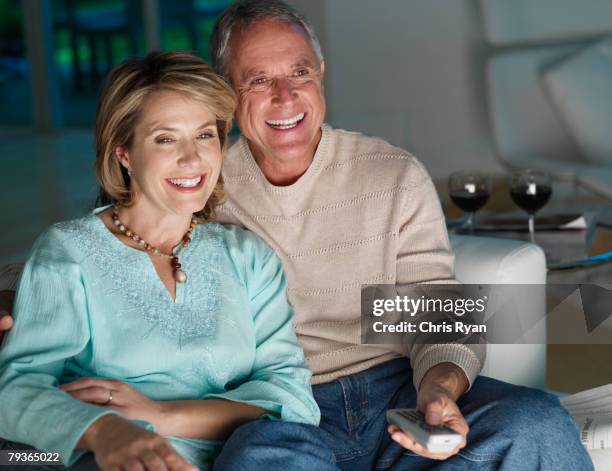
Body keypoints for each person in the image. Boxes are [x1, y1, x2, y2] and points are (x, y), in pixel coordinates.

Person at [0, 1, 593, 470]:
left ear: (321, 74)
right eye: (258, 80)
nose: (285, 97)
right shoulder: (200, 179)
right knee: (264, 457)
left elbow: (432, 311)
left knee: (535, 421)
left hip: (396, 390)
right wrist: (12, 303)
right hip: (271, 415)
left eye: (299, 72)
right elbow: (105, 248)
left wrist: (439, 389)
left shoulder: (388, 174)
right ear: (225, 94)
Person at [0, 51, 319, 471]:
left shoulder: (247, 256)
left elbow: (294, 399)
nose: (192, 159)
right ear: (124, 153)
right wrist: (105, 430)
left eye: (205, 135)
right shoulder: (67, 253)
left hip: (254, 458)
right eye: (165, 139)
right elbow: (17, 392)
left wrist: (161, 415)